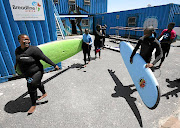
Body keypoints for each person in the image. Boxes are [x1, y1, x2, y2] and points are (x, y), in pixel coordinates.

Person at [15, 34, 59, 115]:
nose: (27, 41)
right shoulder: (17, 50)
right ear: (19, 41)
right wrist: (16, 69)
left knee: (31, 85)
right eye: (25, 39)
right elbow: (17, 61)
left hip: (37, 71)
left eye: (28, 39)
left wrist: (54, 65)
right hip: (27, 73)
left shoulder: (34, 49)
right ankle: (44, 93)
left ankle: (33, 104)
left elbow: (44, 58)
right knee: (37, 83)